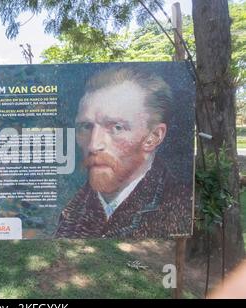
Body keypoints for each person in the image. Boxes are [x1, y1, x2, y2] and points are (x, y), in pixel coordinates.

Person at [55, 67, 193, 239]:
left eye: (116, 127)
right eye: (86, 126)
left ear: (153, 137)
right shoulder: (71, 212)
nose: (93, 145)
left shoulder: (180, 206)